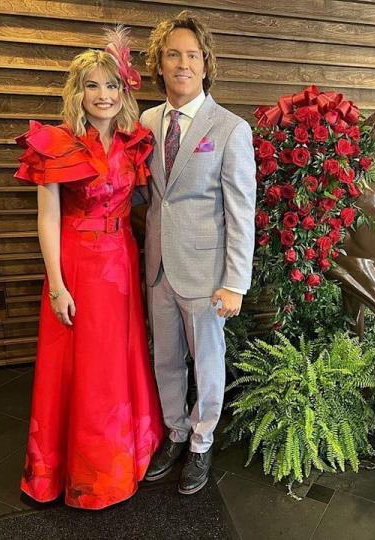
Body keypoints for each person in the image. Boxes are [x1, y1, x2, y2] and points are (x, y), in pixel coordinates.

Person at [13, 27, 164, 510]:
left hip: (122, 260)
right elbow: (47, 216)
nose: (103, 95)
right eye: (92, 86)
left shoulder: (133, 141)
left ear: (124, 92)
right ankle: (84, 473)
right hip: (76, 265)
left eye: (111, 85)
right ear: (77, 92)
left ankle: (126, 456)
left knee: (120, 358)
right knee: (83, 366)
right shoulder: (55, 143)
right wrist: (56, 285)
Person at [139, 11, 257, 495]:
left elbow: (241, 211)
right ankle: (176, 432)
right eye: (173, 55)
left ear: (206, 64)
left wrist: (235, 283)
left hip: (208, 276)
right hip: (158, 268)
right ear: (160, 65)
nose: (182, 63)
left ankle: (203, 443)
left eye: (191, 55)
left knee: (207, 363)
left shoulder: (230, 129)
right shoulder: (146, 122)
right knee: (165, 359)